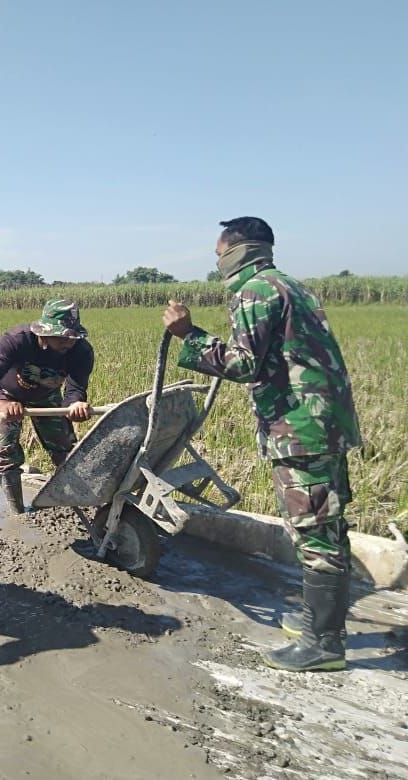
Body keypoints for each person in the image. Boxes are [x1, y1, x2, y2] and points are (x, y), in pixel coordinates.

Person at [163, 216, 360, 672]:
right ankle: (320, 621)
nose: (217, 264)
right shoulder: (294, 286)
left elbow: (245, 363)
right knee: (326, 525)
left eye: (218, 255)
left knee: (313, 532)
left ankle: (323, 645)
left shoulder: (254, 291)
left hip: (298, 429)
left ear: (235, 251)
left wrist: (187, 335)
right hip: (323, 422)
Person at [0, 299, 94, 514]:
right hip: (7, 395)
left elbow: (75, 387)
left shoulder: (81, 351)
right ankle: (17, 511)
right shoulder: (17, 340)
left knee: (65, 449)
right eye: (61, 337)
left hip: (47, 396)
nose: (67, 343)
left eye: (72, 338)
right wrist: (2, 402)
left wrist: (75, 404)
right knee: (6, 453)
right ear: (44, 333)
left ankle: (78, 504)